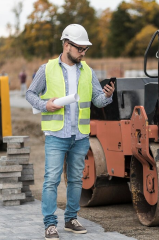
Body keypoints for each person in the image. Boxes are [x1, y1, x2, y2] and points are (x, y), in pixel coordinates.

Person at [26, 24, 115, 240]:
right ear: (67, 45)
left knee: (76, 179)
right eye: (80, 49)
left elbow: (97, 100)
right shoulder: (46, 69)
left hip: (80, 136)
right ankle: (50, 224)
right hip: (56, 135)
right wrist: (46, 105)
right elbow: (30, 94)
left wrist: (108, 95)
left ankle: (71, 218)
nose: (83, 53)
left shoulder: (88, 72)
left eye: (86, 49)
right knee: (51, 180)